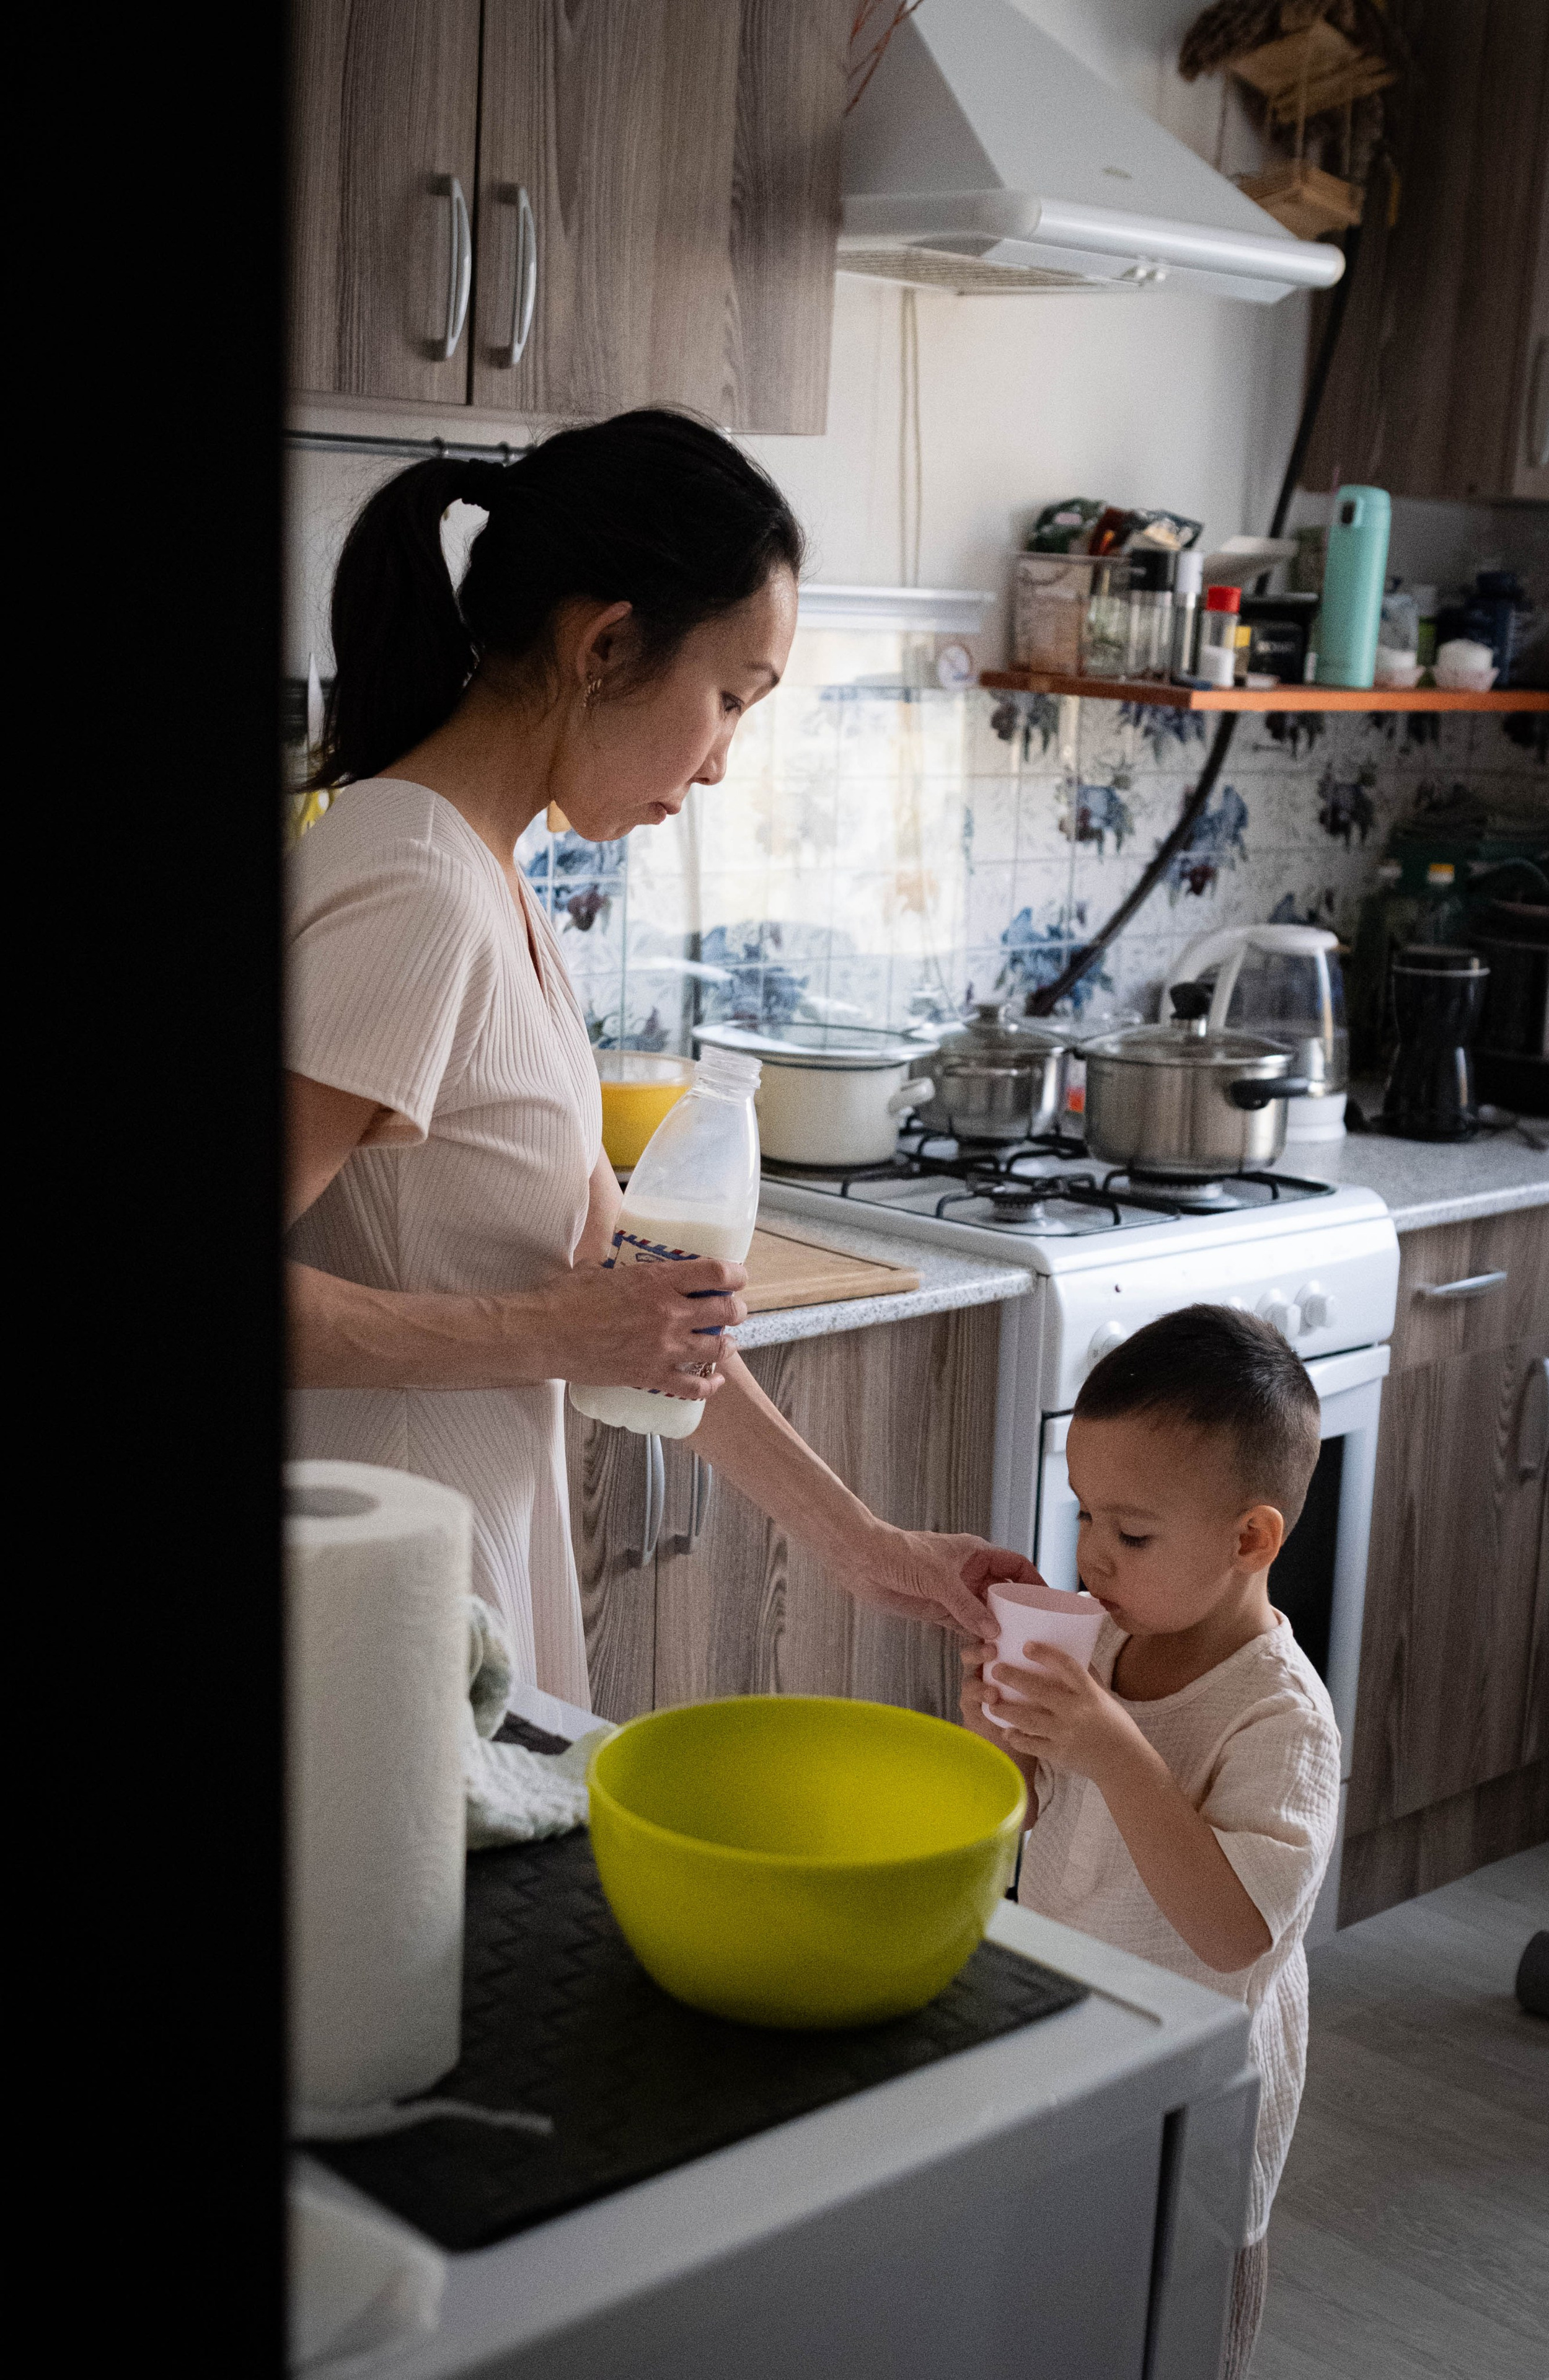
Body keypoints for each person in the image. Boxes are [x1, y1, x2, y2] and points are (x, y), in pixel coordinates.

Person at [287, 407, 1005, 1708]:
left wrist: (864, 1546)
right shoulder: (413, 886)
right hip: (373, 1612)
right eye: (728, 696)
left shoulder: (485, 881)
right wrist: (540, 1331)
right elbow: (575, 1318)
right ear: (605, 644)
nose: (724, 761)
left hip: (442, 1580)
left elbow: (635, 1309)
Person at [961, 1305, 1339, 2380]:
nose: (1091, 1554)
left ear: (1250, 1539)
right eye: (1085, 1514)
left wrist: (1117, 1749)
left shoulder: (1280, 1720)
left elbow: (1230, 1933)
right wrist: (999, 1733)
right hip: (1073, 2035)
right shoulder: (1110, 1639)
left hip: (1197, 2098)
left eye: (1131, 1533)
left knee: (1172, 2334)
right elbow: (1026, 1815)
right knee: (1057, 2300)